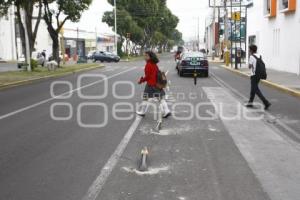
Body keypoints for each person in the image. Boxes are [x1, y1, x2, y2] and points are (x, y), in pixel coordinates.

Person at [136, 51, 171, 118]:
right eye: (144, 55)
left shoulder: (148, 65)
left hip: (150, 84)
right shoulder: (154, 64)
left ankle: (142, 112)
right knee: (160, 98)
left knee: (145, 98)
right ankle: (167, 111)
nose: (145, 57)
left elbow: (147, 76)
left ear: (150, 57)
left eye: (146, 56)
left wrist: (141, 81)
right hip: (157, 84)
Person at [246, 45, 271, 110]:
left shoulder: (251, 56)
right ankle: (250, 103)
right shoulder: (259, 55)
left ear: (251, 50)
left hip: (254, 75)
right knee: (253, 89)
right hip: (259, 75)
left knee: (256, 90)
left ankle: (266, 102)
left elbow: (249, 66)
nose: (248, 51)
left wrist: (250, 63)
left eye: (249, 49)